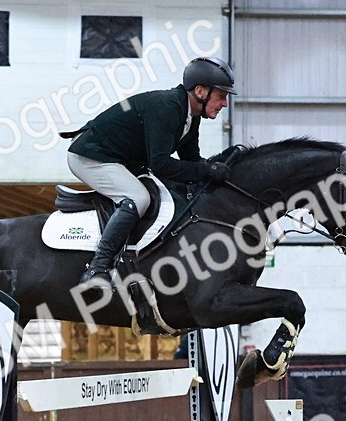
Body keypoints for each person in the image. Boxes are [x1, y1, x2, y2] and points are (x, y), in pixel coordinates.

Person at [63, 56, 237, 286]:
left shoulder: (190, 116)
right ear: (200, 91)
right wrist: (206, 169)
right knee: (138, 197)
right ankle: (98, 267)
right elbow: (162, 165)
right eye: (222, 96)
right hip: (90, 156)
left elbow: (191, 160)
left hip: (119, 160)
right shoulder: (167, 108)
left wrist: (216, 168)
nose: (224, 103)